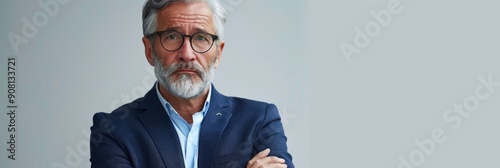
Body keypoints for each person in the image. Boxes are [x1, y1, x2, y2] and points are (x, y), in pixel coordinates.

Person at [89, 0, 294, 167]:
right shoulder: (113, 130)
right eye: (171, 36)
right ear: (149, 50)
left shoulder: (259, 120)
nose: (187, 54)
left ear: (218, 53)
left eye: (201, 38)